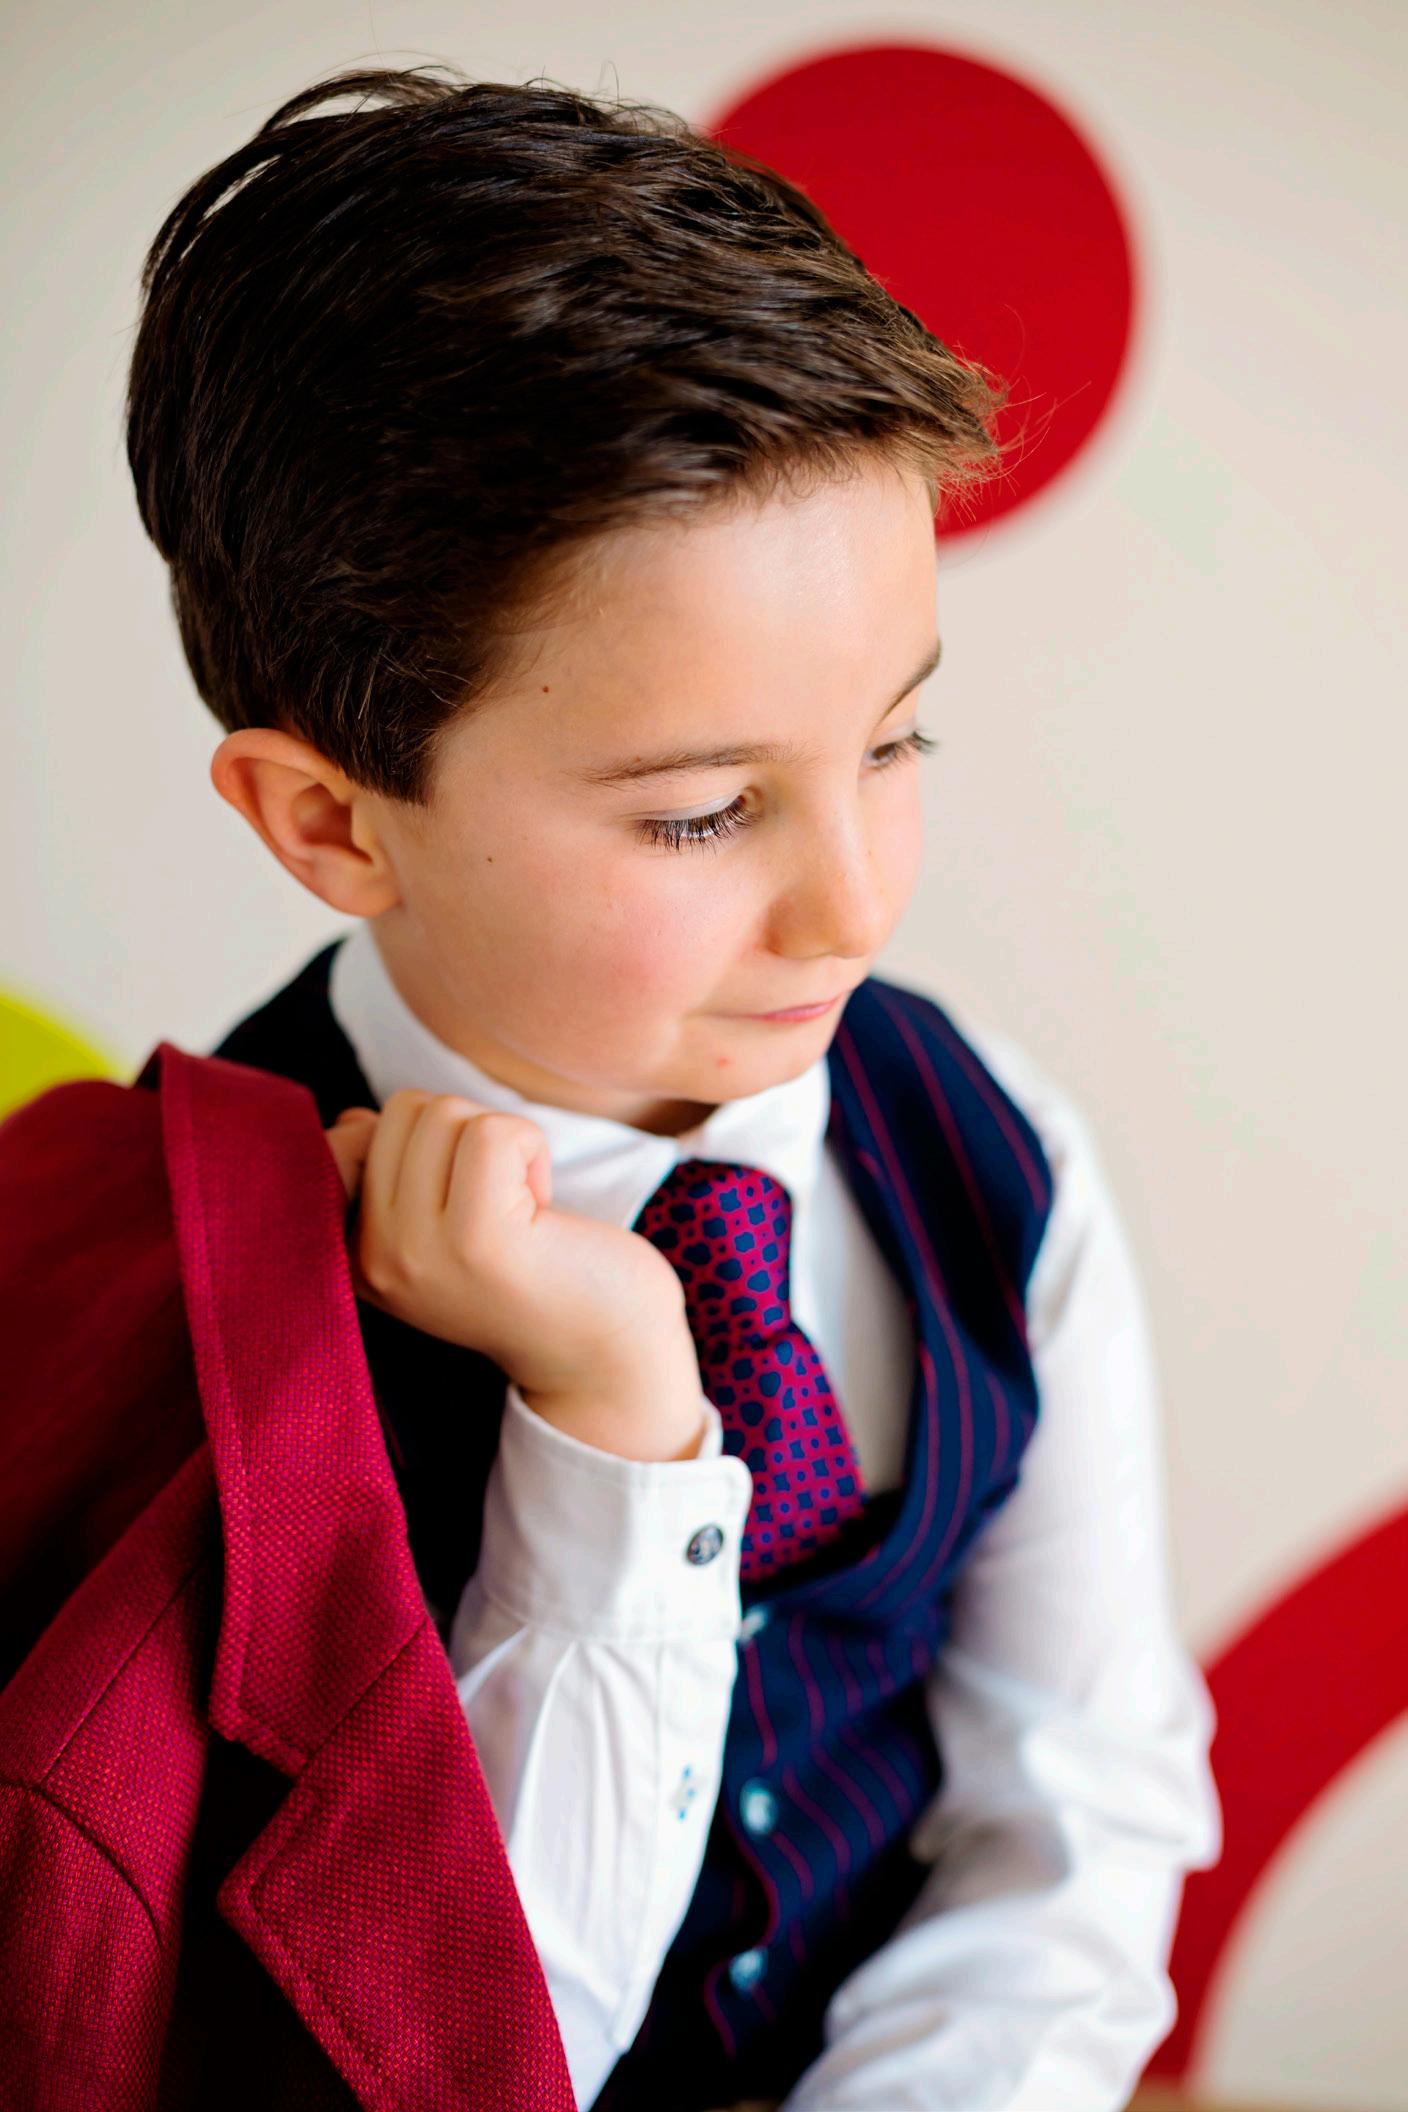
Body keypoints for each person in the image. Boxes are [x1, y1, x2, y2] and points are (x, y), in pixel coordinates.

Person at [0, 61, 1221, 2112]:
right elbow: (428, 2062)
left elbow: (1076, 1810)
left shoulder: (980, 1146)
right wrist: (616, 1419)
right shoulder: (160, 1302)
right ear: (330, 823)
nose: (853, 904)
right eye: (701, 814)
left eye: (892, 746)